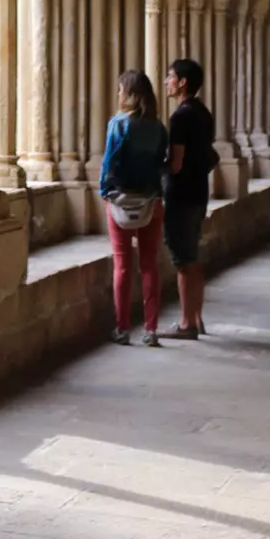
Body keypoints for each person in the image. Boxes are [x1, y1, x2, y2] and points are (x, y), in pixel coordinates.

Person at [100, 69, 168, 346]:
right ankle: (151, 330)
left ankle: (123, 328)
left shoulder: (118, 124)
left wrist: (105, 191)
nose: (117, 94)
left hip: (121, 201)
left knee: (122, 265)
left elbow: (109, 162)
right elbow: (162, 164)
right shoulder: (158, 128)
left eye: (120, 89)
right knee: (150, 264)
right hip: (151, 199)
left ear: (129, 94)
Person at [161, 57, 219, 340]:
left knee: (183, 261)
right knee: (193, 257)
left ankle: (186, 324)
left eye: (170, 76)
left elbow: (176, 163)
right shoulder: (203, 113)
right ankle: (196, 316)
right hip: (199, 191)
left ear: (182, 82)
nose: (166, 82)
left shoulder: (180, 116)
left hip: (181, 195)